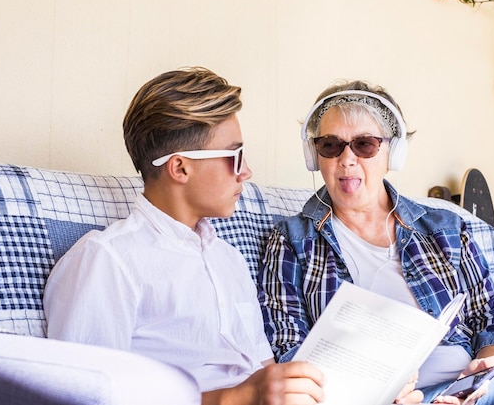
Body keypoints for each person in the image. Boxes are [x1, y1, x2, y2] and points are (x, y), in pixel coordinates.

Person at [44, 67, 329, 405]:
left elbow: (264, 371)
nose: (247, 171)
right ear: (180, 167)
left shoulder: (229, 259)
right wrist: (234, 398)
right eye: (234, 156)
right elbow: (85, 396)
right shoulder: (107, 260)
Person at [258, 79, 494, 405]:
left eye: (364, 144)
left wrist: (486, 371)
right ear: (314, 155)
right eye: (330, 145)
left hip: (475, 392)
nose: (347, 159)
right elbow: (288, 347)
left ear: (393, 152)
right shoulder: (291, 241)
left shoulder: (446, 229)